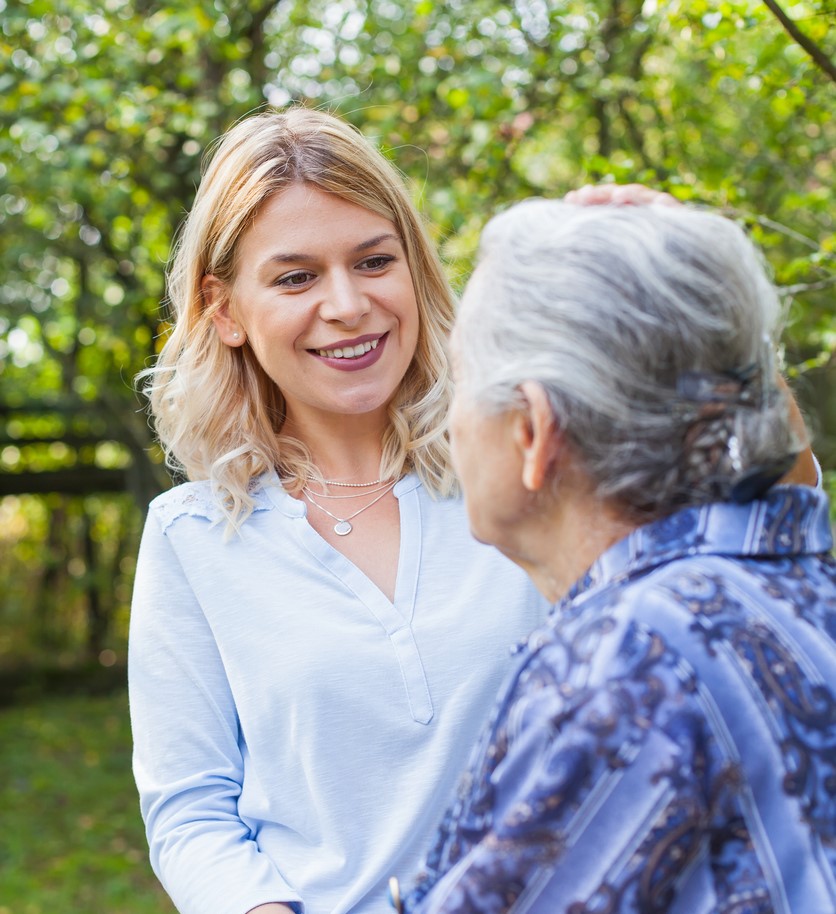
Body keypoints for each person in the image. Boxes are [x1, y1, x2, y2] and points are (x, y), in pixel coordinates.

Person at [127, 108, 551, 914]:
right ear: (224, 310)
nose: (349, 304)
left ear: (414, 269)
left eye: (373, 260)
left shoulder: (525, 471)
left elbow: (760, 513)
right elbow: (190, 810)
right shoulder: (192, 539)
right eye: (295, 277)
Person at [393, 200, 836, 914]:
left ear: (533, 428)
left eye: (462, 380)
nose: (447, 420)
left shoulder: (629, 660)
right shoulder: (791, 579)